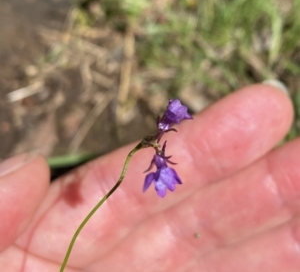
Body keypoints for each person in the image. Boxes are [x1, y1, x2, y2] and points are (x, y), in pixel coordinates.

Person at [0, 82, 299, 272]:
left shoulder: (160, 149)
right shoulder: (157, 143)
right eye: (172, 115)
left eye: (174, 116)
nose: (173, 116)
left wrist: (160, 161)